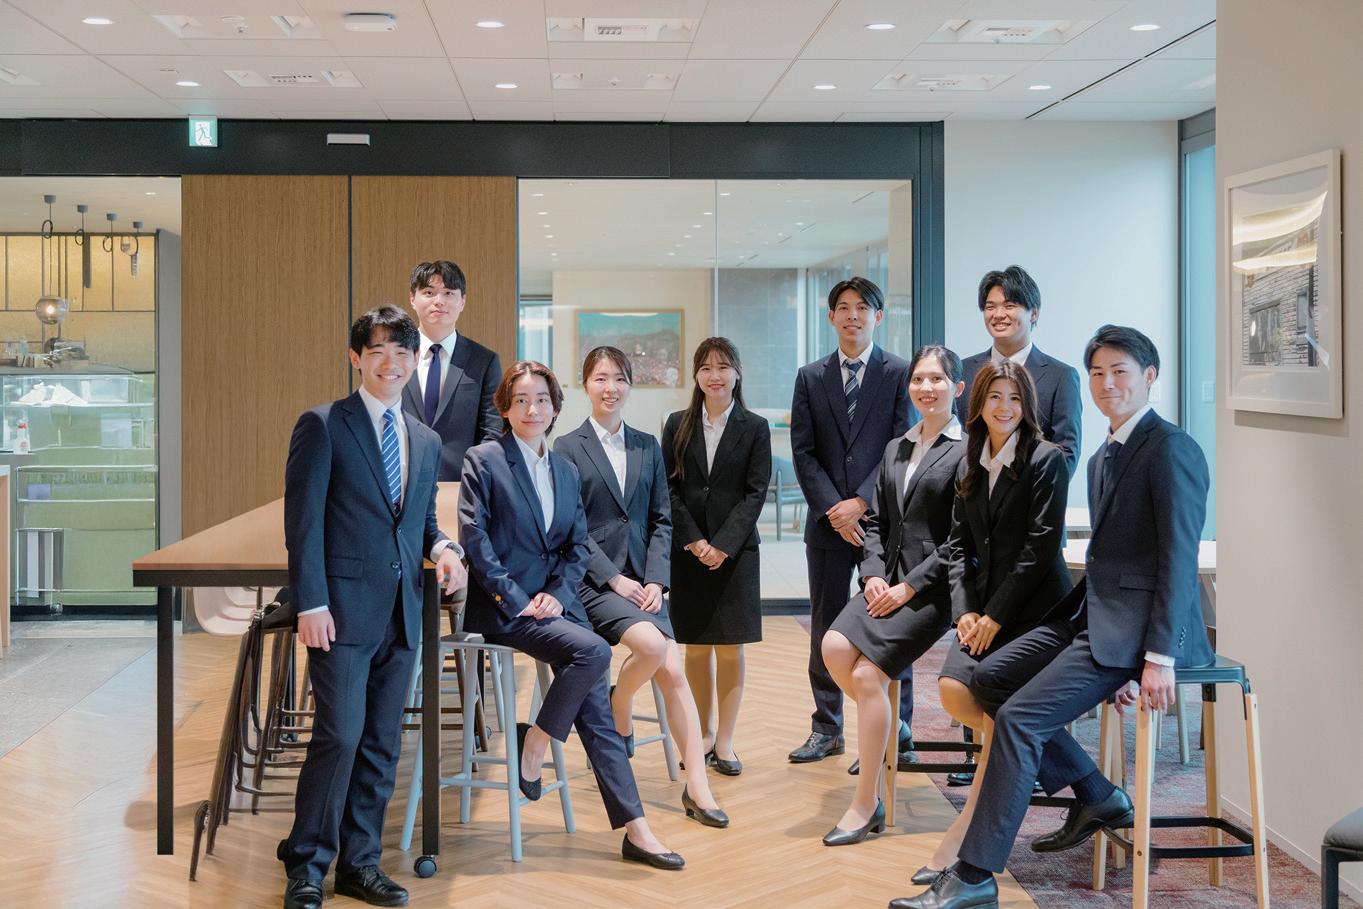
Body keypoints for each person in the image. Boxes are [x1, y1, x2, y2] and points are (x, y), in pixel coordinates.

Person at [892, 326, 1212, 909]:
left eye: (1120, 371)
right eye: (1098, 373)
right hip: (1091, 618)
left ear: (1150, 377)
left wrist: (1155, 658)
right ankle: (1095, 791)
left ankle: (974, 874)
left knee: (1019, 720)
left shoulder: (1170, 448)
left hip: (1137, 636)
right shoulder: (1102, 455)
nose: (1107, 383)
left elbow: (1179, 559)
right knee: (988, 678)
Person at [458, 360, 684, 870]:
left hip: (557, 607)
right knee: (595, 651)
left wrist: (559, 594)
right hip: (505, 609)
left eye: (541, 399)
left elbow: (577, 545)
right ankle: (536, 743)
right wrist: (519, 598)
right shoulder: (484, 459)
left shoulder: (563, 469)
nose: (532, 409)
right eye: (520, 400)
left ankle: (636, 829)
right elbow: (476, 540)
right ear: (505, 408)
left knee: (598, 711)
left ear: (555, 407)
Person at [278, 306, 467, 909]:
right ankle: (308, 866)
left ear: (415, 361)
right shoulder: (323, 424)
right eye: (378, 351)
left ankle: (360, 864)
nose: (391, 363)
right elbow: (303, 524)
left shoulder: (426, 439)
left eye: (402, 352)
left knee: (383, 744)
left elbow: (418, 522)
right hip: (339, 611)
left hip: (403, 613)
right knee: (339, 736)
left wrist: (445, 547)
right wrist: (311, 602)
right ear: (356, 358)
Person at [905, 358, 1073, 886]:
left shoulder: (1046, 459)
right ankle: (1090, 786)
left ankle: (965, 834)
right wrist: (966, 612)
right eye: (995, 397)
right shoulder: (970, 460)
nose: (1005, 408)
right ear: (978, 404)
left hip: (1038, 612)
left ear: (1028, 407)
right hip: (983, 610)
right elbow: (958, 546)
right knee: (956, 692)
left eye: (1015, 399)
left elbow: (1039, 551)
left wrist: (995, 616)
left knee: (990, 700)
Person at [554, 346, 728, 827]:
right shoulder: (566, 447)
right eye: (600, 378)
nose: (610, 388)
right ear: (585, 385)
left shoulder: (648, 445)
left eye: (619, 378)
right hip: (593, 583)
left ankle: (699, 787)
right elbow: (570, 527)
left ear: (630, 384)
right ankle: (621, 701)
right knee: (653, 647)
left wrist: (655, 580)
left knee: (673, 669)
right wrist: (614, 578)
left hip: (643, 585)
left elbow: (661, 520)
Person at [819, 345, 967, 847]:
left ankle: (867, 803)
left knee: (867, 676)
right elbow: (877, 521)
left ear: (957, 388)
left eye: (937, 379)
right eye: (919, 379)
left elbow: (961, 540)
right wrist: (871, 575)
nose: (927, 388)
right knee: (833, 646)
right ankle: (891, 730)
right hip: (885, 581)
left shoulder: (967, 452)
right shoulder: (896, 447)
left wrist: (909, 585)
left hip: (932, 590)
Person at [789, 277, 913, 767]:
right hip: (827, 525)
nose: (852, 315)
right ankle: (827, 727)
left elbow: (903, 446)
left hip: (884, 521)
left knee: (891, 621)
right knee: (825, 623)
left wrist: (860, 502)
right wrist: (833, 509)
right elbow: (803, 451)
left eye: (863, 307)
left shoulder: (900, 373)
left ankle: (895, 732)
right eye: (843, 307)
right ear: (831, 317)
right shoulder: (810, 376)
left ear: (878, 316)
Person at [662, 338, 771, 776]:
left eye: (723, 367)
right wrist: (694, 540)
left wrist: (723, 544)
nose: (715, 375)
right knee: (694, 648)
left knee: (729, 649)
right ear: (696, 375)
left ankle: (725, 740)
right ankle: (701, 735)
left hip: (736, 554)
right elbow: (668, 488)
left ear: (737, 373)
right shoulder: (677, 423)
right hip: (689, 554)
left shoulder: (755, 426)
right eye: (706, 368)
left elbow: (756, 492)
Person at [954, 266, 1082, 475]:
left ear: (1034, 313)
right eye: (990, 307)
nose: (998, 314)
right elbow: (955, 442)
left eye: (1010, 305)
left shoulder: (1061, 377)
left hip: (1030, 491)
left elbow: (1065, 454)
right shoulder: (964, 371)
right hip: (971, 489)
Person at [401, 260, 502, 481]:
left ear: (462, 301)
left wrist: (475, 479)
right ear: (412, 299)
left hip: (463, 484)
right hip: (400, 483)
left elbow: (492, 431)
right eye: (429, 292)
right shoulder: (395, 357)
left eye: (448, 293)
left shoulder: (484, 361)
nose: (439, 301)